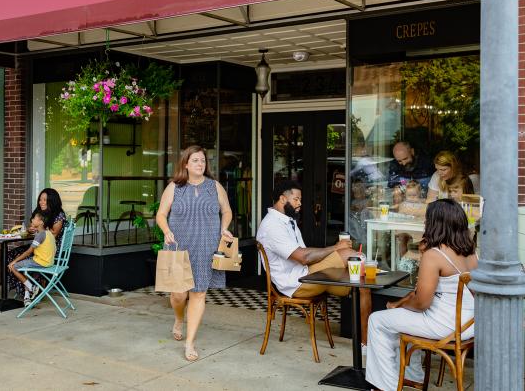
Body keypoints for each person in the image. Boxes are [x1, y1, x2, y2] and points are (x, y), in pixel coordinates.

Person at [365, 199, 477, 391]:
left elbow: (422, 303)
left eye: (427, 219)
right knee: (403, 319)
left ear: (435, 223)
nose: (424, 223)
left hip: (445, 326)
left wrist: (398, 306)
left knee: (377, 320)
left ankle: (386, 386)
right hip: (469, 324)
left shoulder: (435, 255)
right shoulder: (471, 252)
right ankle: (412, 375)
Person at [257, 180, 372, 347]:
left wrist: (335, 252)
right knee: (351, 258)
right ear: (282, 199)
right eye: (296, 199)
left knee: (360, 276)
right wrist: (335, 248)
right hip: (296, 282)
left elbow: (305, 258)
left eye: (300, 200)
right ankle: (366, 344)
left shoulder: (286, 220)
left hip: (304, 272)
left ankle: (365, 342)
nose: (300, 204)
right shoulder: (272, 226)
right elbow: (303, 257)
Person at [155, 145, 234, 362]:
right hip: (178, 245)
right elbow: (161, 214)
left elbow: (226, 211)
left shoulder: (214, 186)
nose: (200, 164)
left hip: (206, 245)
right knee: (179, 294)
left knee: (199, 293)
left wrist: (224, 227)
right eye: (196, 160)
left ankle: (190, 342)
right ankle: (179, 318)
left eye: (203, 161)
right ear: (186, 164)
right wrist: (167, 230)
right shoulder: (174, 187)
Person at [7, 187, 67, 298]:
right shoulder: (39, 213)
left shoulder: (58, 215)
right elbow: (33, 226)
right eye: (40, 199)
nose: (41, 202)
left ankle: (31, 290)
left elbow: (53, 234)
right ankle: (26, 290)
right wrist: (31, 229)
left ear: (52, 201)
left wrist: (40, 230)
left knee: (18, 256)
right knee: (11, 254)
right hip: (38, 246)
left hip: (48, 250)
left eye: (45, 200)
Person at [8, 209, 56, 306]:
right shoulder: (48, 233)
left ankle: (31, 287)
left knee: (13, 267)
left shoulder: (39, 235)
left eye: (34, 218)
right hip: (49, 262)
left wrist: (14, 261)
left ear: (41, 222)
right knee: (27, 270)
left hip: (40, 263)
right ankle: (27, 297)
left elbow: (29, 251)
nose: (32, 220)